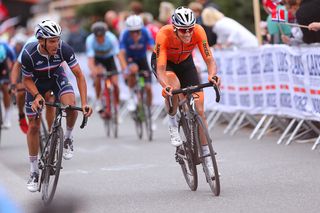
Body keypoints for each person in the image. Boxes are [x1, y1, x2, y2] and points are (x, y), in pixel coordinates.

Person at [21, 20, 93, 192]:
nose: (56, 44)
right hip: (35, 84)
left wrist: (84, 103)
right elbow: (26, 80)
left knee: (71, 105)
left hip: (56, 78)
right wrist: (37, 96)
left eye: (57, 39)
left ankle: (67, 137)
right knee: (33, 127)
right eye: (52, 40)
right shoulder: (28, 54)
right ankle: (33, 171)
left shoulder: (63, 48)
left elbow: (79, 75)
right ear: (41, 41)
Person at [151, 7, 221, 177]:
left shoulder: (198, 31)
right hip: (165, 64)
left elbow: (209, 59)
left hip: (185, 63)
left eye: (190, 28)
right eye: (183, 30)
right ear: (175, 28)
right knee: (173, 84)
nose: (188, 33)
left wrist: (212, 76)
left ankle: (207, 158)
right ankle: (173, 122)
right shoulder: (164, 34)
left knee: (200, 109)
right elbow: (160, 69)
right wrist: (165, 85)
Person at [86, 21, 125, 113]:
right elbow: (90, 59)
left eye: (102, 36)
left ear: (105, 34)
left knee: (115, 83)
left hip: (109, 59)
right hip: (98, 59)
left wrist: (124, 68)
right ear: (94, 35)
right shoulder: (90, 40)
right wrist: (93, 70)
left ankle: (117, 104)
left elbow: (118, 55)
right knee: (97, 76)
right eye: (98, 37)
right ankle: (99, 100)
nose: (100, 39)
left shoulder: (111, 38)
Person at [119, 15, 154, 111]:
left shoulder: (146, 32)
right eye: (132, 31)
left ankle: (149, 112)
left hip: (142, 58)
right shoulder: (124, 34)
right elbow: (121, 54)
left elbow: (153, 48)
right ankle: (131, 97)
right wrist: (125, 69)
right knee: (133, 69)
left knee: (148, 88)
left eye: (137, 31)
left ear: (141, 29)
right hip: (130, 58)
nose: (134, 34)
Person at [0, 41, 16, 129]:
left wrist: (11, 72)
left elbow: (14, 61)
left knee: (5, 89)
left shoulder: (5, 46)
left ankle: (7, 115)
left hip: (3, 66)